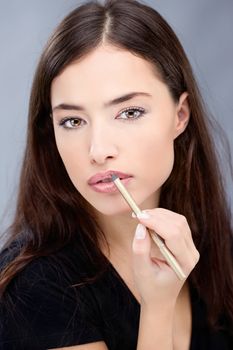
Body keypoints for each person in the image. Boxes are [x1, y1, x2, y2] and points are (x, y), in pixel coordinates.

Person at [0, 0, 232, 349]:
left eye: (129, 112)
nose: (98, 150)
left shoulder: (218, 251)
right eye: (73, 121)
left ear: (180, 115)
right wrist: (157, 307)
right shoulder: (34, 284)